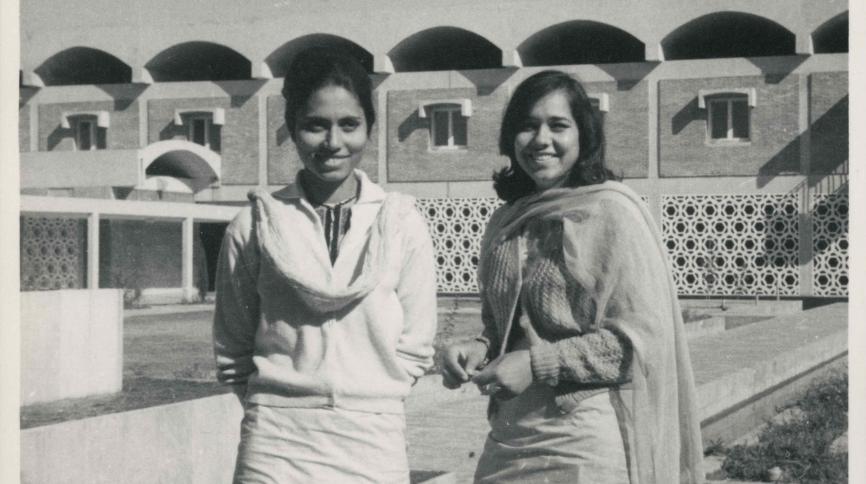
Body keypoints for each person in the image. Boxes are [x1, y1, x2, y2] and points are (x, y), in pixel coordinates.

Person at [442, 70, 704, 483]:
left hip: (584, 440)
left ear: (583, 136)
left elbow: (640, 344)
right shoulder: (505, 221)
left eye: (558, 125)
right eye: (528, 126)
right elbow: (501, 323)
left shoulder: (612, 212)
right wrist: (478, 346)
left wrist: (537, 363)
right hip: (510, 434)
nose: (541, 140)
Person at [213, 49, 437, 484]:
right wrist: (280, 405)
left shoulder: (401, 222)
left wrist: (370, 399)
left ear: (369, 128)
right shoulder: (254, 223)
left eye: (349, 125)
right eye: (316, 125)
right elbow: (233, 347)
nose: (333, 143)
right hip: (275, 445)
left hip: (374, 440)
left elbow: (416, 344)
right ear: (292, 128)